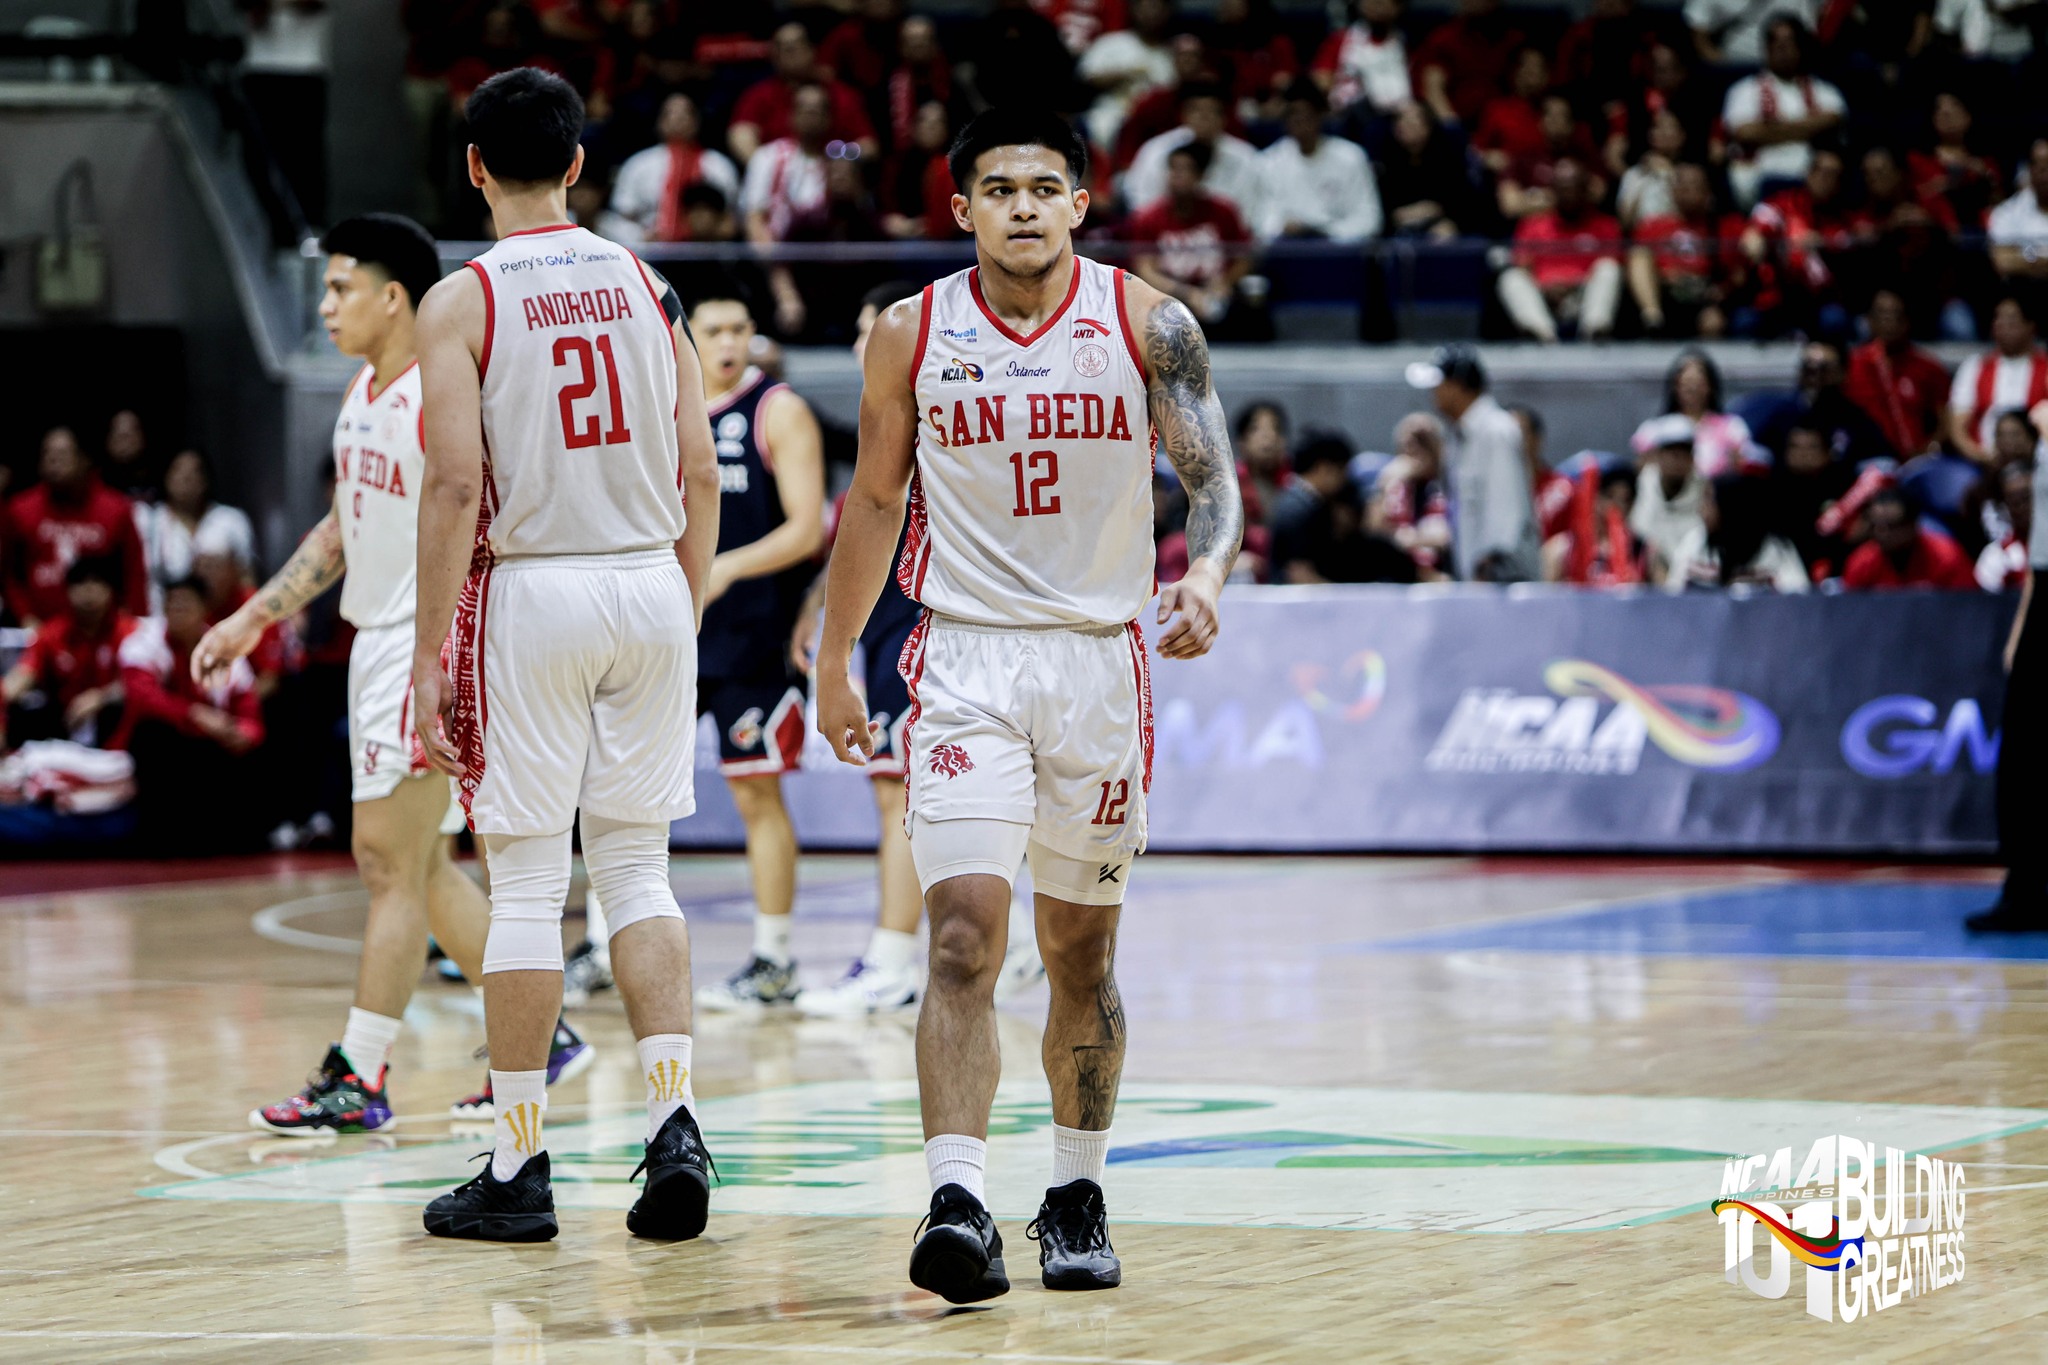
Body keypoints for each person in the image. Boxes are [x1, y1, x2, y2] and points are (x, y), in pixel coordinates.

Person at [812, 107, 1242, 1301]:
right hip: (964, 661)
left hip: (1097, 662)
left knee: (1078, 952)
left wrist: (1204, 574)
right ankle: (957, 1203)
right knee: (958, 936)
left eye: (1042, 187)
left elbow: (1210, 484)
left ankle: (1074, 1188)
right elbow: (872, 500)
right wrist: (833, 651)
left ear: (1078, 204)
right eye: (996, 189)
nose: (1019, 206)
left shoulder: (1149, 323)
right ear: (961, 210)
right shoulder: (907, 333)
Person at [407, 68, 721, 1245]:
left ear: (474, 166)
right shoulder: (647, 282)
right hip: (647, 576)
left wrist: (434, 644)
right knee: (641, 872)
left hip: (532, 589)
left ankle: (518, 1165)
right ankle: (673, 1122)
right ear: (581, 164)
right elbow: (699, 470)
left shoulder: (463, 299)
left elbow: (449, 484)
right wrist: (677, 604)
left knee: (531, 882)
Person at [193, 212, 592, 1131]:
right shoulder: (365, 391)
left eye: (340, 287)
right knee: (423, 868)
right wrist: (255, 615)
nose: (326, 305)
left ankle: (360, 1074)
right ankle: (548, 1032)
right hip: (377, 641)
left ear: (394, 296)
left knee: (387, 864)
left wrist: (448, 652)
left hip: (426, 648)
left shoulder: (443, 399)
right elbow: (344, 527)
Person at [680, 282, 827, 1012]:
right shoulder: (664, 408)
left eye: (740, 328)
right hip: (672, 635)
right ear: (687, 335)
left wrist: (728, 567)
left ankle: (774, 959)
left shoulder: (778, 408)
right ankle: (610, 945)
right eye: (715, 330)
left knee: (755, 790)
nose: (730, 344)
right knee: (629, 797)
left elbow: (808, 528)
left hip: (755, 636)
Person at [1969, 398, 2048, 931]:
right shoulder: (2042, 422)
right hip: (2045, 596)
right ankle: (2024, 889)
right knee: (2023, 755)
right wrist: (2022, 625)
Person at [1406, 344, 1538, 580]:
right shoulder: (1460, 435)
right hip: (1477, 578)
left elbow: (1506, 506)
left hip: (1502, 582)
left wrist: (1490, 564)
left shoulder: (1495, 430)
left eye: (1440, 384)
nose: (1433, 393)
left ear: (1459, 386)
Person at [3, 426, 150, 628]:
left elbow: (133, 575)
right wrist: (26, 617)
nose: (53, 461)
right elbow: (9, 574)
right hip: (37, 631)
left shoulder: (116, 509)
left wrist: (131, 624)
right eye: (47, 453)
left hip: (105, 635)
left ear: (84, 460)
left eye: (62, 454)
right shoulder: (20, 510)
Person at [0, 556, 137, 749]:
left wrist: (100, 697)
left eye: (97, 583)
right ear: (67, 591)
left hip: (112, 720)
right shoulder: (51, 634)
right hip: (64, 719)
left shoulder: (132, 632)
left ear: (111, 590)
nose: (89, 592)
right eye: (80, 583)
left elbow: (144, 682)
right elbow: (21, 677)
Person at [1126, 143, 1256, 337]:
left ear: (1201, 176)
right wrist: (1186, 294)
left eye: (1186, 169)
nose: (1178, 175)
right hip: (1169, 298)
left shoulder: (1224, 212)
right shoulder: (1149, 217)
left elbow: (1244, 258)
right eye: (1173, 169)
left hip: (1218, 294)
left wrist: (1224, 283)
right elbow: (1145, 269)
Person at [1719, 16, 1843, 210]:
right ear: (1766, 48)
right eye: (1775, 42)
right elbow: (1744, 133)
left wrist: (1770, 130)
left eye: (1788, 42)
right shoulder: (1743, 90)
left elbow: (1833, 119)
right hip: (1759, 179)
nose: (1782, 49)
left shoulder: (1824, 90)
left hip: (1811, 181)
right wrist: (1807, 127)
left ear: (1801, 46)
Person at [1495, 158, 1622, 344]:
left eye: (1573, 187)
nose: (1568, 194)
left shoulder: (1606, 226)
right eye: (1562, 188)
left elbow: (1610, 267)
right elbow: (1523, 266)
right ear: (1553, 191)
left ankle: (1595, 335)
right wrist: (1547, 288)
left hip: (1582, 296)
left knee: (1609, 268)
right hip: (1544, 298)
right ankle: (1542, 337)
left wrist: (1571, 285)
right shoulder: (1533, 225)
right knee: (1511, 277)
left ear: (1585, 189)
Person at [600, 93, 741, 245]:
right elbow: (619, 217)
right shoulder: (639, 164)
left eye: (685, 114)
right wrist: (640, 236)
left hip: (707, 252)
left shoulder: (719, 165)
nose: (678, 120)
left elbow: (731, 218)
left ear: (697, 121)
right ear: (659, 121)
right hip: (651, 253)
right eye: (670, 114)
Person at [1626, 162, 1747, 339]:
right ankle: (1653, 320)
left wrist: (1723, 290)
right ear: (1672, 191)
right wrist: (1664, 276)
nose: (1687, 191)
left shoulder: (1729, 226)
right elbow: (1631, 271)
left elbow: (1740, 272)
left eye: (1695, 185)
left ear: (1708, 192)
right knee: (1639, 255)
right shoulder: (1652, 226)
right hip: (1665, 296)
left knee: (1714, 322)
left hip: (1706, 298)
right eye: (1682, 185)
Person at [728, 22, 876, 166]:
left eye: (795, 47)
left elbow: (869, 147)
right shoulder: (759, 95)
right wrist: (770, 169)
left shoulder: (842, 95)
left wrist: (834, 158)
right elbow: (740, 134)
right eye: (783, 49)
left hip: (830, 180)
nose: (790, 53)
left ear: (812, 50)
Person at [1253, 80, 1382, 244]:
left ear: (1320, 115)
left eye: (1306, 114)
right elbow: (1261, 220)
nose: (1299, 121)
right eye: (1292, 114)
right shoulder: (1268, 162)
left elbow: (1369, 219)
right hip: (1288, 250)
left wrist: (1326, 234)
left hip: (1337, 252)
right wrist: (1282, 228)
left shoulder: (1351, 157)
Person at [135, 448, 258, 609]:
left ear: (206, 480)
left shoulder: (231, 519)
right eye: (178, 470)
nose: (186, 478)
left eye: (194, 472)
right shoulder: (150, 520)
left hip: (222, 615)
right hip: (166, 617)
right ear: (166, 477)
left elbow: (246, 577)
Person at [1122, 82, 1262, 217]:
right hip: (1167, 234)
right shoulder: (1157, 150)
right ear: (1184, 115)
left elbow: (1250, 209)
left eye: (1211, 111)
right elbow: (1142, 201)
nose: (1204, 117)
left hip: (1226, 236)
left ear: (1224, 118)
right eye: (1196, 110)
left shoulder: (1245, 156)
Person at [1846, 290, 1951, 459]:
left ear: (1907, 321)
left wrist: (1929, 450)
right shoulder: (1852, 364)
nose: (1888, 321)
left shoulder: (1928, 368)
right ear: (1870, 321)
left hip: (1918, 460)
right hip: (1867, 461)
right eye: (1882, 314)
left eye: (1895, 315)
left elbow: (1946, 422)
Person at [1664, 474, 1811, 592]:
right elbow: (1674, 597)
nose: (1701, 510)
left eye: (1710, 501)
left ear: (1731, 508)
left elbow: (1797, 602)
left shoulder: (1775, 549)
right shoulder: (1695, 540)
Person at [1948, 296, 2048, 465]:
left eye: (2011, 320)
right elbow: (1957, 428)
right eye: (1998, 319)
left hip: (2039, 463)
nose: (2003, 326)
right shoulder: (1975, 367)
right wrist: (1982, 457)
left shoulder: (2045, 368)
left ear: (2030, 326)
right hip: (1984, 462)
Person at [1638, 350, 1759, 479]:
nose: (1692, 391)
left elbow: (1745, 465)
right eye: (1686, 385)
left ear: (1710, 387)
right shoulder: (1656, 429)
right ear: (1675, 388)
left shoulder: (1732, 427)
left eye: (1698, 385)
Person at [1841, 487, 1979, 590]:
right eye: (1876, 526)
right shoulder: (1861, 562)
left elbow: (1968, 609)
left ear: (1913, 525)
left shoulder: (1947, 557)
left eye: (1892, 526)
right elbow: (1850, 616)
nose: (1881, 533)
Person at [1628, 413, 1707, 570]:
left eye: (1684, 453)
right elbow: (1638, 530)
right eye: (1671, 452)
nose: (1677, 460)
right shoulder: (1644, 482)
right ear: (1658, 455)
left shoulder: (1705, 489)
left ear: (1692, 458)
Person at [1310, 0, 1410, 118]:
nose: (1377, 6)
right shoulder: (1341, 40)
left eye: (1384, 2)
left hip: (1400, 116)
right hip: (1350, 116)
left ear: (1398, 7)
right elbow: (1321, 82)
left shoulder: (1404, 43)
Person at [1988, 139, 2048, 284]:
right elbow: (2002, 262)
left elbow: (2012, 260)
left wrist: (2024, 257)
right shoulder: (2007, 212)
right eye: (2040, 166)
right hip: (2022, 289)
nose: (2045, 174)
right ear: (2029, 169)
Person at [1977, 461, 2034, 591]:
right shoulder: (1995, 558)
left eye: (2028, 497)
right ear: (2005, 507)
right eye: (2015, 502)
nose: (2023, 507)